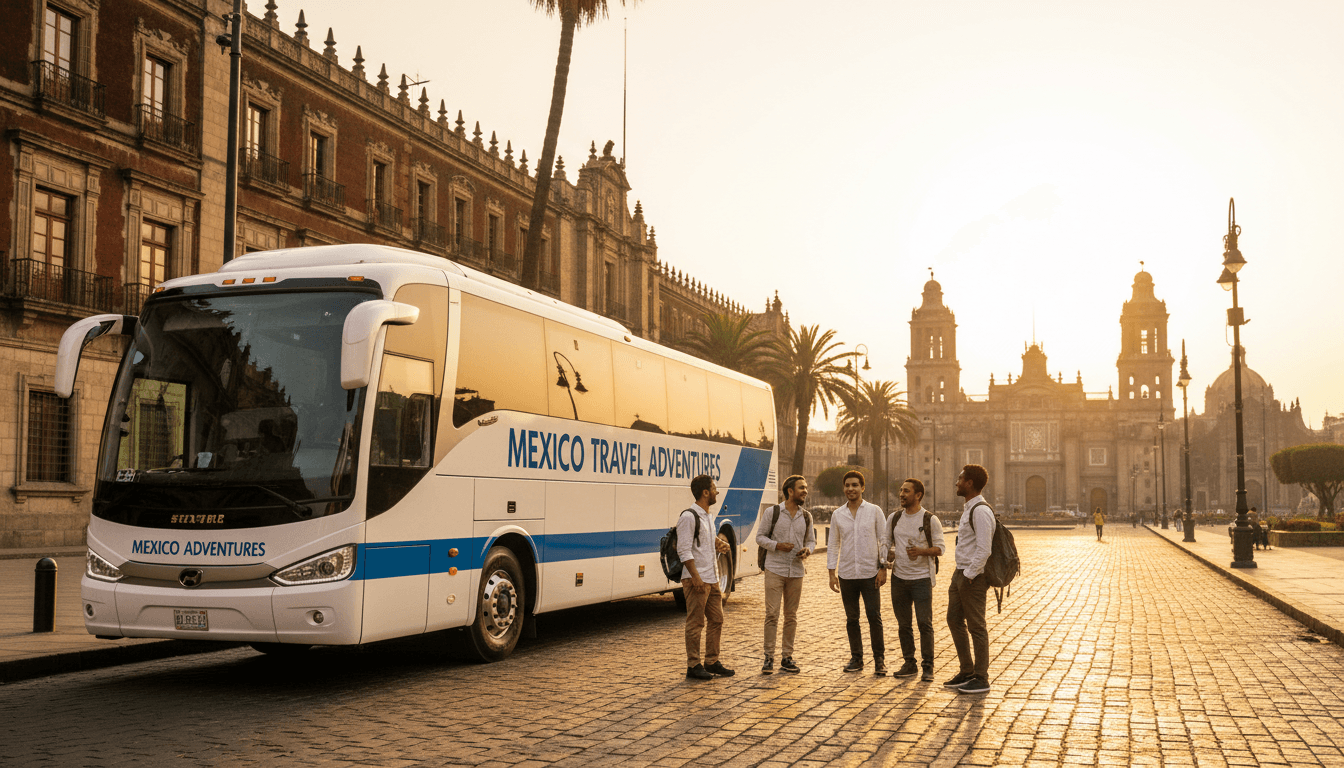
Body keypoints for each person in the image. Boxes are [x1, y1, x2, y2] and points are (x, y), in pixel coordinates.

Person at [827, 470, 890, 675]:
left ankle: (879, 660)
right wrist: (831, 573)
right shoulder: (838, 514)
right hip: (847, 575)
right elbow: (833, 544)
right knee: (852, 618)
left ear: (862, 488)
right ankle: (857, 658)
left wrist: (882, 568)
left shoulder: (874, 511)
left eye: (855, 485)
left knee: (874, 617)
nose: (850, 489)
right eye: (847, 485)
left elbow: (884, 540)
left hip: (870, 573)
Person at [886, 478, 945, 682]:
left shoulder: (929, 520)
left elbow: (940, 549)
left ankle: (928, 666)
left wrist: (921, 551)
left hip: (921, 580)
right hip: (898, 579)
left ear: (918, 495)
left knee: (924, 623)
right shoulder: (894, 518)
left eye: (906, 491)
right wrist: (887, 558)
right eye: (901, 490)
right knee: (904, 625)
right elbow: (885, 543)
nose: (901, 494)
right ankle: (909, 663)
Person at [756, 474, 816, 675]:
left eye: (806, 488)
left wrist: (808, 550)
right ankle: (768, 657)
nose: (805, 491)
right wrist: (777, 545)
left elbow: (812, 541)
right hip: (774, 569)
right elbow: (760, 537)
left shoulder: (806, 516)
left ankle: (787, 657)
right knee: (772, 614)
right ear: (790, 491)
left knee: (791, 616)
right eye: (801, 488)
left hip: (796, 570)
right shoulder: (772, 513)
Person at [678, 474, 734, 680]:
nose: (717, 491)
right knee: (695, 622)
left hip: (712, 578)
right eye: (714, 488)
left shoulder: (708, 517)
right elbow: (684, 551)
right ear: (705, 492)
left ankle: (712, 661)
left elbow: (703, 545)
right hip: (697, 580)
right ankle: (693, 665)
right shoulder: (688, 517)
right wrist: (696, 578)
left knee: (717, 619)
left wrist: (720, 544)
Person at [945, 464, 994, 695]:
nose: (956, 482)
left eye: (960, 478)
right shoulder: (969, 509)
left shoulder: (981, 511)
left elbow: (984, 549)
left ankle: (981, 677)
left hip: (971, 576)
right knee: (954, 620)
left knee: (976, 626)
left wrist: (969, 575)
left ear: (970, 483)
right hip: (961, 573)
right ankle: (967, 670)